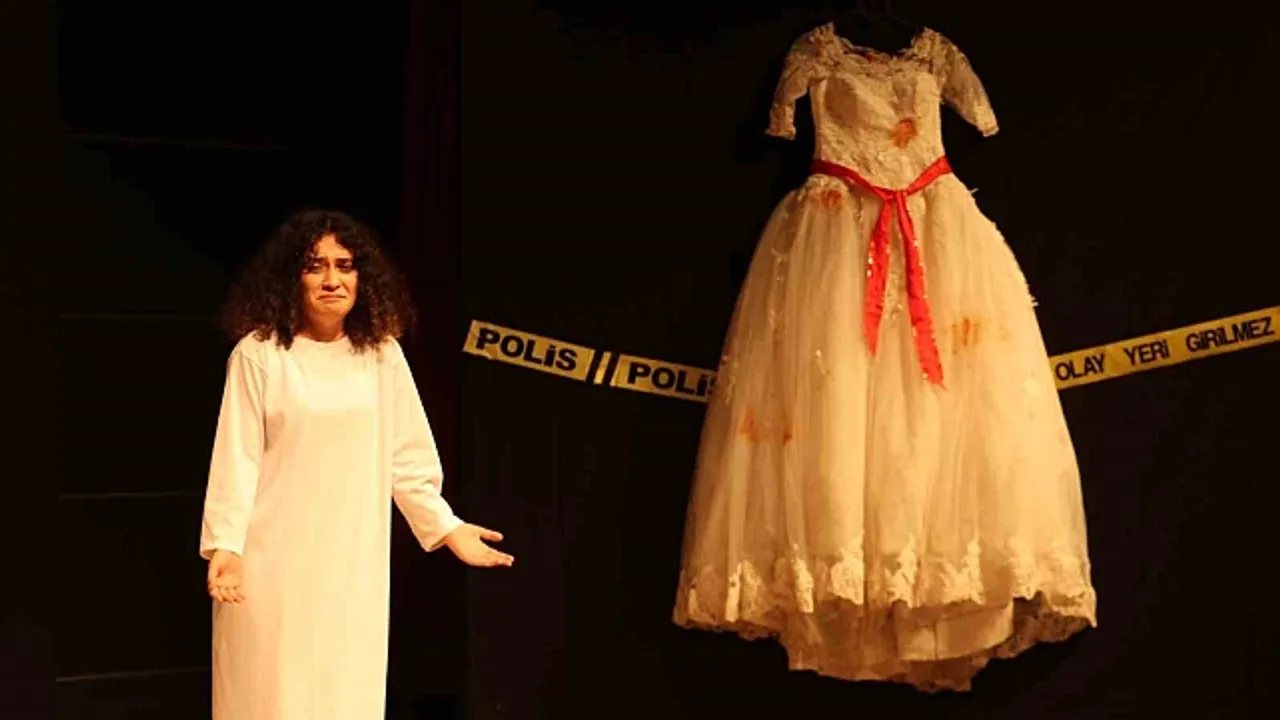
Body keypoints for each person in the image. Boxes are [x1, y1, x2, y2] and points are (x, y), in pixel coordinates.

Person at [672, 23, 1096, 692]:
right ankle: (854, 591)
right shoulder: (814, 55)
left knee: (946, 420)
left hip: (937, 237)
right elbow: (784, 119)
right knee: (836, 413)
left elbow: (980, 114)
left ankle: (940, 599)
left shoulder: (937, 56)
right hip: (834, 245)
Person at [199, 209, 512, 719]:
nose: (332, 280)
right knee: (273, 697)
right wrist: (226, 547)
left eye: (344, 266)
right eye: (315, 266)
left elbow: (407, 459)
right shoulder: (261, 355)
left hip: (351, 566)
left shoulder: (381, 355)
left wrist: (447, 527)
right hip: (271, 569)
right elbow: (237, 457)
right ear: (291, 278)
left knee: (344, 693)